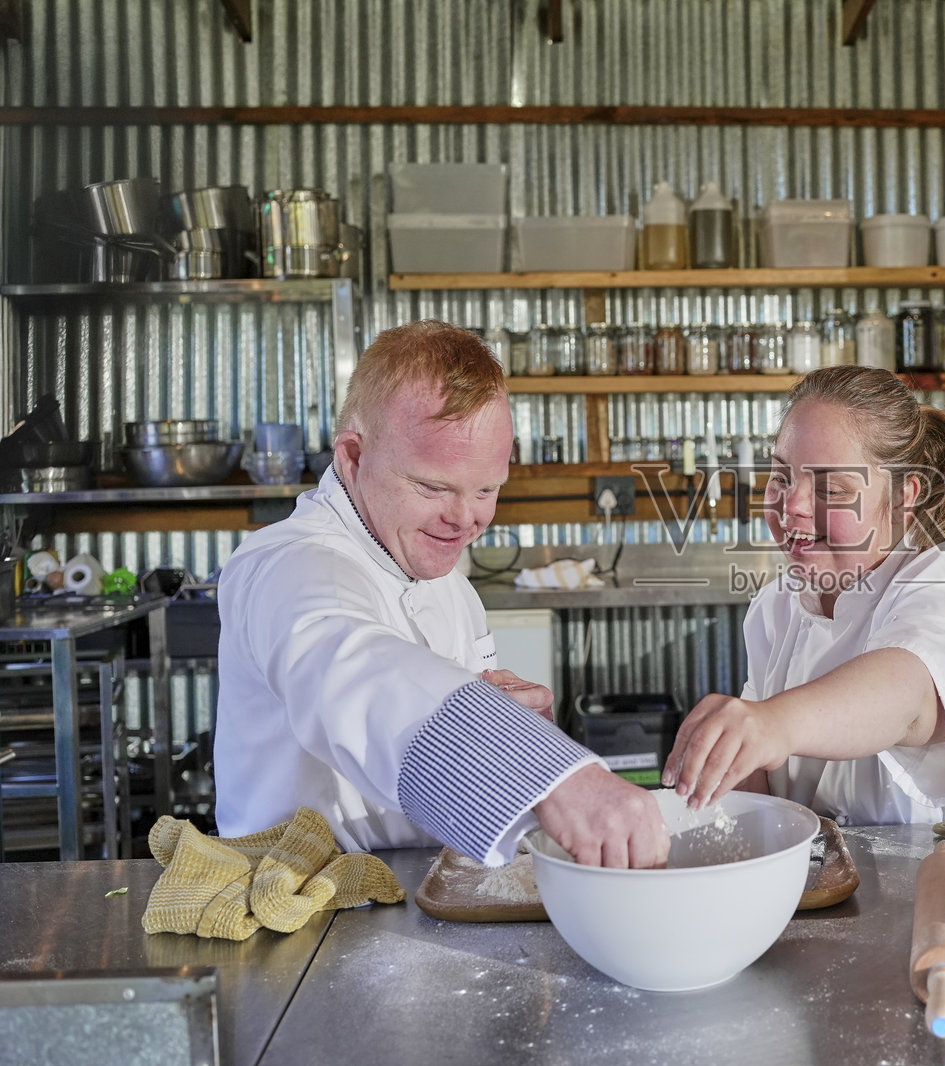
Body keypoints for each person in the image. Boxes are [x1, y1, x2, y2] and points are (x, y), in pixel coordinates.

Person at [214, 320, 668, 868]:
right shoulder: (288, 563)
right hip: (301, 919)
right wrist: (541, 771)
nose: (466, 520)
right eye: (432, 487)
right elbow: (349, 669)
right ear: (353, 458)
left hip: (416, 899)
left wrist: (505, 720)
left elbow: (432, 727)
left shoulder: (446, 578)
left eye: (487, 489)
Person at [661, 365, 945, 825]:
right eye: (782, 477)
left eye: (831, 488)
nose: (792, 506)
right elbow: (764, 787)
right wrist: (724, 766)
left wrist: (773, 723)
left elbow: (910, 699)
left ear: (903, 495)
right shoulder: (777, 606)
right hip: (840, 888)